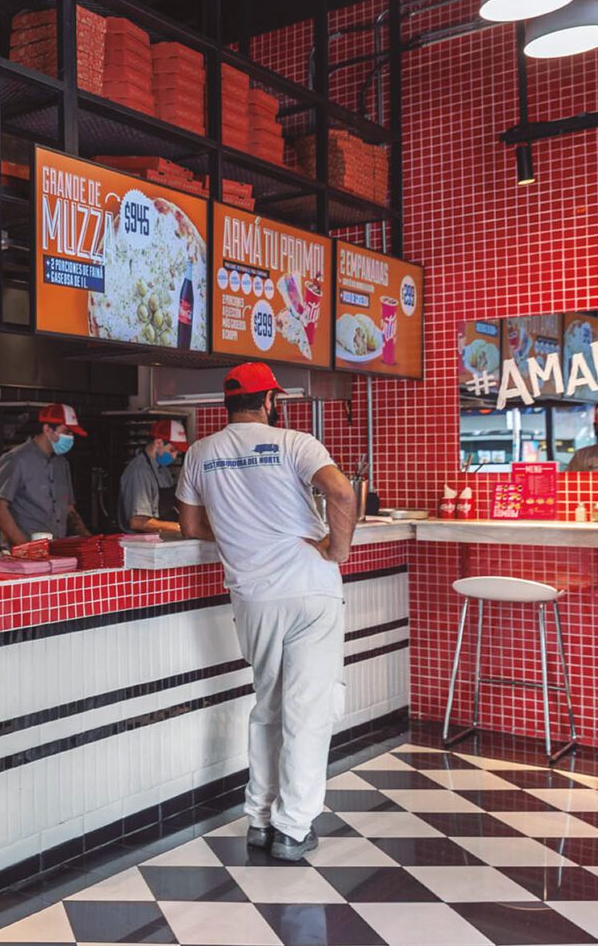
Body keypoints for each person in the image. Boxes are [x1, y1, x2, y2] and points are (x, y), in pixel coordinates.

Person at [175, 363, 358, 861]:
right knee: (308, 711)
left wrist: (242, 534)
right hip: (309, 590)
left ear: (227, 403)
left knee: (269, 707)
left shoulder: (200, 453)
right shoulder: (295, 443)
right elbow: (342, 491)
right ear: (270, 401)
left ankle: (259, 818)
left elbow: (191, 526)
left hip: (253, 598)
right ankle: (293, 827)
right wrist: (337, 549)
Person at [0, 403, 93, 546]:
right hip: (23, 549)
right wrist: (24, 547)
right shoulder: (17, 459)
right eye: (67, 432)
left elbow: (69, 509)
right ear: (48, 430)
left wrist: (89, 540)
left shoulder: (62, 463)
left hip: (55, 547)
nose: (71, 438)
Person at [119, 419, 189, 535]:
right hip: (141, 543)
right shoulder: (139, 472)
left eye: (177, 452)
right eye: (172, 450)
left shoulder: (163, 470)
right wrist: (180, 527)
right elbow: (138, 522)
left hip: (161, 539)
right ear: (158, 442)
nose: (174, 456)